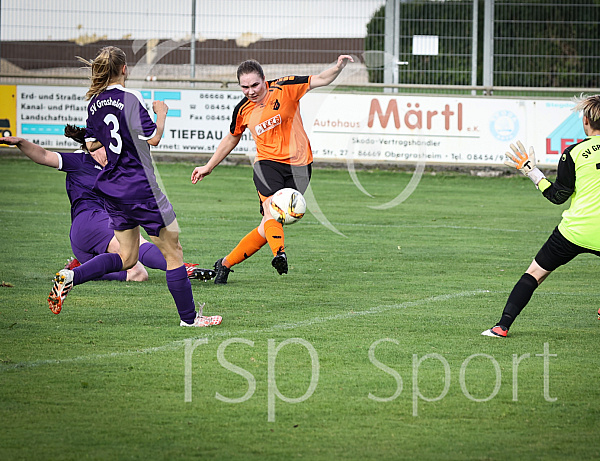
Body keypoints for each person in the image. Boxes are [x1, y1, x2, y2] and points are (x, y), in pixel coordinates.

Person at [49, 45, 221, 327]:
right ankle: (190, 319)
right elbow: (153, 138)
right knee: (174, 252)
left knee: (127, 257)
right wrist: (161, 112)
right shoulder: (130, 97)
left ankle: (71, 276)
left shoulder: (95, 102)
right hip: (140, 188)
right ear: (125, 69)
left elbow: (91, 143)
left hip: (112, 189)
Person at [482, 94, 600, 338]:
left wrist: (531, 172)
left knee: (535, 273)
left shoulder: (574, 152)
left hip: (574, 233)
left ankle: (501, 326)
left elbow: (557, 196)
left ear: (586, 120)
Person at [191, 55, 354, 283]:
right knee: (271, 211)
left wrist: (338, 67)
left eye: (255, 85)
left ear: (264, 80)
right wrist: (209, 166)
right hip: (267, 165)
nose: (250, 91)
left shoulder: (286, 87)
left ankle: (225, 264)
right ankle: (280, 253)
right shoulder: (243, 110)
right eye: (244, 87)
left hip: (300, 166)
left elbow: (321, 80)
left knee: (267, 226)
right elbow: (232, 137)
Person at [0, 127, 215, 283]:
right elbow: (44, 155)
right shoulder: (80, 161)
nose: (107, 151)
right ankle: (180, 267)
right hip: (89, 220)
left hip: (89, 239)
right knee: (136, 243)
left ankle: (80, 270)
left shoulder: (117, 167)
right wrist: (21, 142)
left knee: (138, 274)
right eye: (102, 146)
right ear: (91, 147)